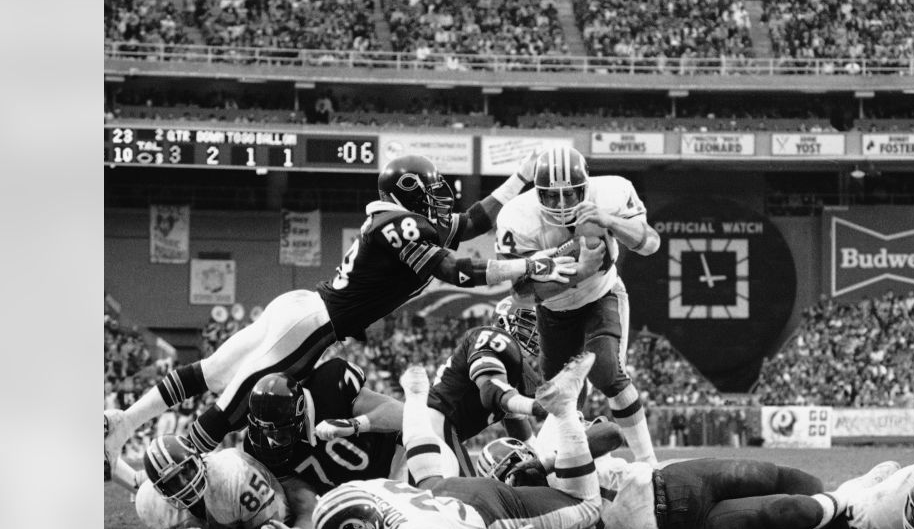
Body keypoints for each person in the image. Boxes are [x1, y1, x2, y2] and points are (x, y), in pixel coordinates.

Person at [105, 154, 577, 469]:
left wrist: (520, 177)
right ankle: (167, 479)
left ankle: (126, 421)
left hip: (301, 309)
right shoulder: (401, 224)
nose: (440, 194)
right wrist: (530, 263)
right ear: (409, 191)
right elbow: (458, 270)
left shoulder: (403, 220)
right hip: (314, 322)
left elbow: (474, 220)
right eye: (430, 187)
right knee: (232, 405)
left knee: (211, 373)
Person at [309, 352, 602, 529]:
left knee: (587, 506)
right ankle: (415, 401)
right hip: (442, 490)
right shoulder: (363, 491)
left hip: (485, 511)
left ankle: (563, 411)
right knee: (428, 478)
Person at [495, 145, 662, 466]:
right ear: (536, 192)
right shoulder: (517, 218)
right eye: (551, 196)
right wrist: (578, 270)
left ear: (585, 187)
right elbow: (520, 294)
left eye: (570, 194)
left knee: (607, 374)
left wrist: (608, 219)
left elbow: (650, 243)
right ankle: (564, 465)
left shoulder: (611, 191)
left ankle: (649, 464)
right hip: (554, 311)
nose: (560, 204)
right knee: (563, 397)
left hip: (602, 295)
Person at [481, 424, 865, 529]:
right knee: (794, 512)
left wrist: (548, 462)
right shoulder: (535, 514)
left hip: (682, 480)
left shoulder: (560, 461)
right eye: (511, 474)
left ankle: (852, 497)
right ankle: (855, 498)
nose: (519, 476)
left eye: (519, 466)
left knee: (797, 481)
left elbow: (611, 433)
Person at [413, 296, 547, 478]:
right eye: (528, 323)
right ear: (504, 321)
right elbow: (492, 388)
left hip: (447, 430)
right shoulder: (491, 337)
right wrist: (537, 407)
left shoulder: (520, 371)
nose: (535, 331)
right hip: (437, 421)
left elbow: (519, 427)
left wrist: (542, 458)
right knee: (464, 495)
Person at [113, 434, 295, 529]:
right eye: (174, 480)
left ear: (197, 458)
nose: (186, 482)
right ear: (163, 490)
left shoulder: (233, 474)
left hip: (280, 517)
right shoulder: (154, 501)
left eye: (187, 470)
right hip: (231, 517)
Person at [244, 357, 405, 494]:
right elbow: (300, 502)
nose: (271, 442)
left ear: (299, 416)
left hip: (397, 466)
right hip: (362, 503)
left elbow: (402, 414)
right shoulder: (256, 449)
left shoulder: (328, 386)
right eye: (264, 431)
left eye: (279, 434)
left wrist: (354, 424)